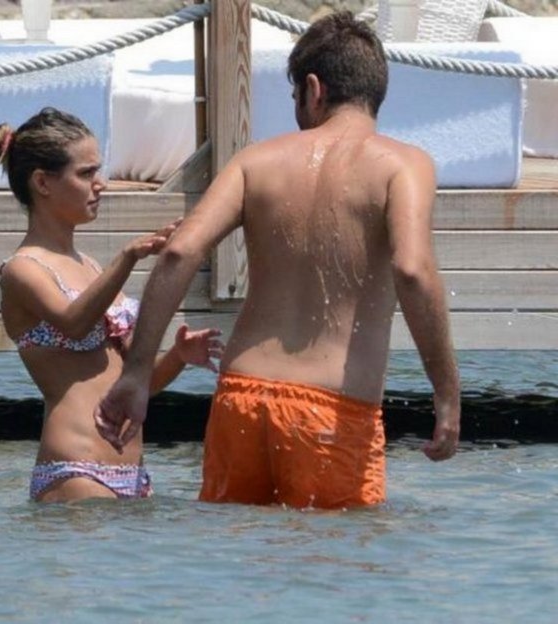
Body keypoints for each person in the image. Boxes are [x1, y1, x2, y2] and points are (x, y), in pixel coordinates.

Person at [94, 11, 461, 510]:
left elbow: (179, 250)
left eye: (293, 98)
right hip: (333, 409)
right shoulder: (404, 165)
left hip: (241, 397)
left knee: (237, 551)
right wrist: (446, 393)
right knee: (337, 554)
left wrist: (137, 373)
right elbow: (413, 271)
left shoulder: (254, 161)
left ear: (313, 89)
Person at [0, 107, 223, 503]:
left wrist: (179, 356)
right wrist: (128, 257)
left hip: (134, 475)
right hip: (75, 471)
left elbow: (139, 382)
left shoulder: (91, 267)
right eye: (86, 173)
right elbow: (73, 323)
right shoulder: (22, 269)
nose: (102, 183)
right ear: (42, 182)